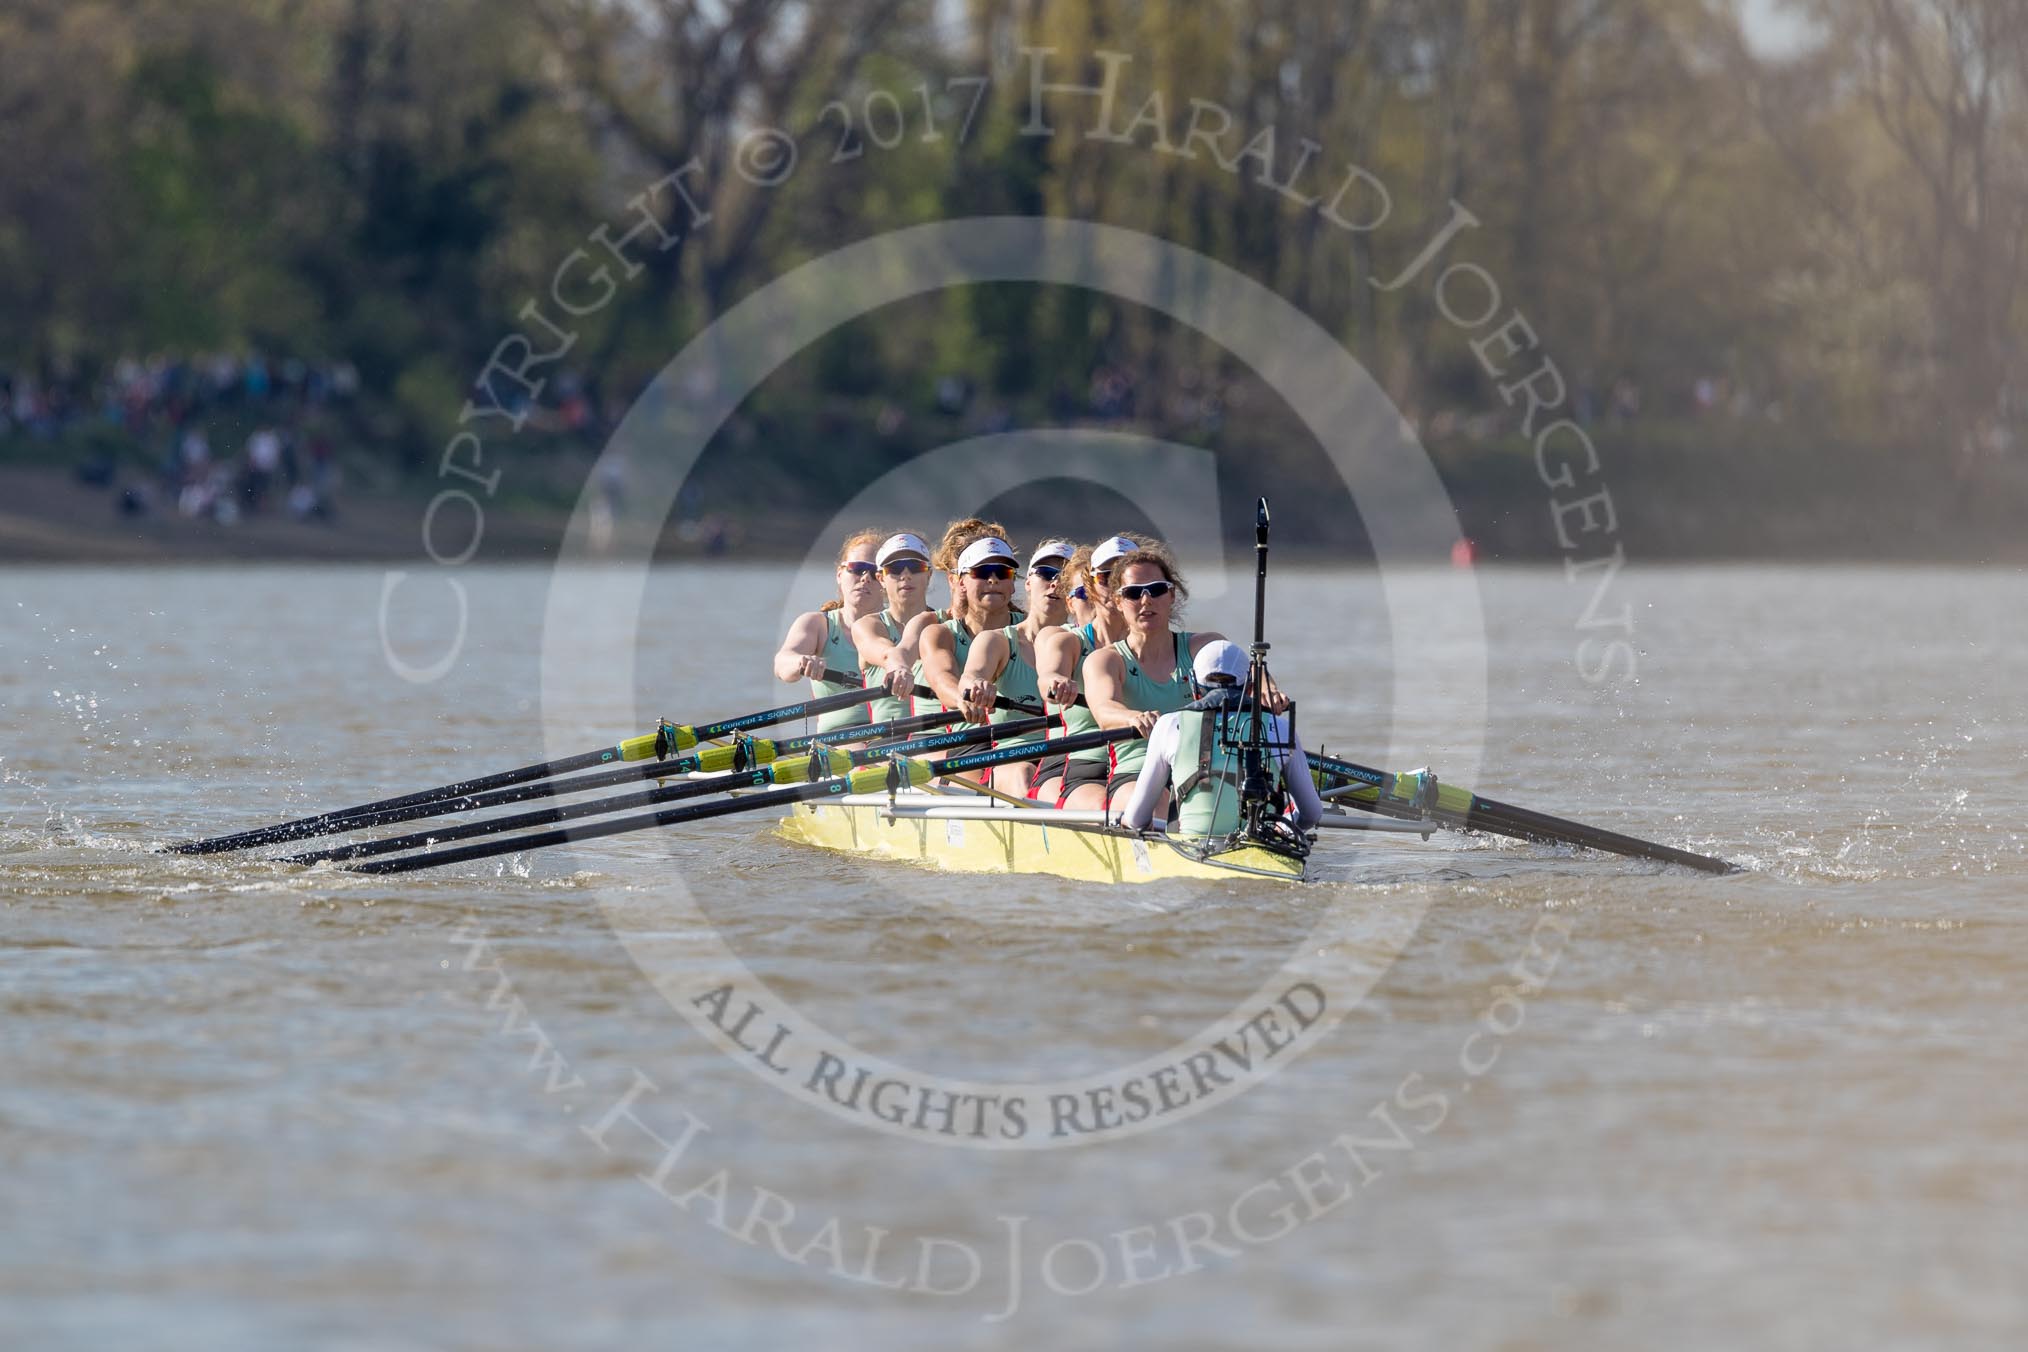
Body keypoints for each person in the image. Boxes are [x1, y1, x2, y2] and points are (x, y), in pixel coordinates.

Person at [1112, 640, 1324, 836]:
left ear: (1194, 685)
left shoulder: (1168, 725)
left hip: (1192, 851)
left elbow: (1135, 818)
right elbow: (1312, 813)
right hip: (1263, 847)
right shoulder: (1280, 727)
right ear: (1250, 687)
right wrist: (1283, 829)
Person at [1081, 542, 1234, 812]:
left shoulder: (1204, 647)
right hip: (1137, 770)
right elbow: (1104, 711)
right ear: (1118, 601)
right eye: (1133, 593)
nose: (1146, 600)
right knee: (1159, 803)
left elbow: (1249, 677)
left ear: (1171, 595)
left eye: (1156, 590)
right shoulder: (1105, 660)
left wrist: (1268, 689)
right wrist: (1132, 717)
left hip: (1199, 766)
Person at [959, 537, 1077, 796]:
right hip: (1011, 758)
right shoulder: (997, 641)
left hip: (1066, 758)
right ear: (1026, 584)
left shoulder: (1086, 643)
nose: (1054, 582)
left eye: (1064, 576)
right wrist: (975, 686)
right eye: (1045, 574)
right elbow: (971, 676)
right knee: (1024, 773)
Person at [909, 522, 1023, 783]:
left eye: (1002, 572)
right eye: (982, 572)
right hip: (968, 740)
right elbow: (942, 678)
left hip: (1027, 742)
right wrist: (962, 699)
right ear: (960, 582)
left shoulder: (1035, 632)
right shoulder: (939, 632)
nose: (993, 579)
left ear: (1013, 583)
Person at [1037, 534, 1140, 810]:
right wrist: (1056, 682)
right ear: (1092, 587)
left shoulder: (1160, 646)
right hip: (1082, 763)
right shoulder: (1068, 641)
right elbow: (1048, 675)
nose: (1115, 587)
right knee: (1106, 805)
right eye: (1107, 577)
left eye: (1125, 578)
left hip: (1142, 763)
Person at [772, 529, 884, 733]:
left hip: (896, 735)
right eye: (857, 568)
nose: (865, 578)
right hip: (839, 742)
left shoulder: (905, 626)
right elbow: (782, 663)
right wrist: (800, 662)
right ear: (840, 575)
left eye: (875, 572)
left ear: (885, 581)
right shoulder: (817, 624)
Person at [850, 531, 935, 726]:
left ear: (928, 574)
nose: (905, 575)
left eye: (915, 567)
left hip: (937, 738)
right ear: (880, 578)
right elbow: (886, 653)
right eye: (895, 568)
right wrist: (899, 666)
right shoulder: (867, 626)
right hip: (886, 740)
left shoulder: (945, 624)